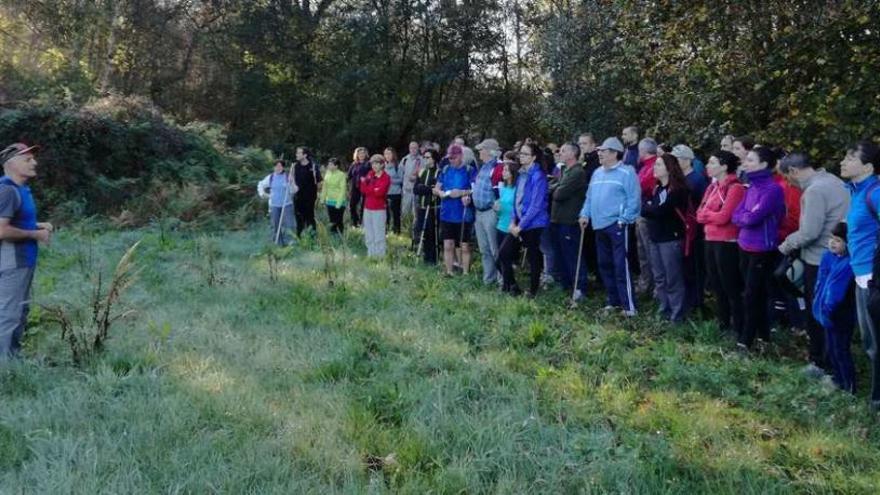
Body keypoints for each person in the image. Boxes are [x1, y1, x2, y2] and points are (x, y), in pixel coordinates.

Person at [778, 153, 850, 377]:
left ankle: (820, 363)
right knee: (832, 313)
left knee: (817, 312)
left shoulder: (815, 190)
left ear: (793, 172)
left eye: (787, 178)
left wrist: (786, 245)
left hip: (819, 259)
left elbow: (810, 232)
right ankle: (833, 361)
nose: (789, 184)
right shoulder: (834, 181)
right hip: (837, 258)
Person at [0, 143, 52, 359]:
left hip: (23, 261)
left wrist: (38, 225)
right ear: (11, 164)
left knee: (19, 312)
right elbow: (2, 231)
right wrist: (35, 235)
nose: (34, 163)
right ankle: (5, 368)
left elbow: (16, 220)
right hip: (13, 261)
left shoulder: (20, 190)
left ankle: (12, 359)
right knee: (9, 315)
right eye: (27, 159)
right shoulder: (8, 191)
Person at [578, 137, 641, 317]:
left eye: (603, 151)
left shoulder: (627, 173)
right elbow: (589, 197)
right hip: (599, 225)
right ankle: (613, 301)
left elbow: (634, 200)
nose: (600, 154)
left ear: (614, 153)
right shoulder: (597, 172)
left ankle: (629, 306)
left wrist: (624, 219)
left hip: (618, 226)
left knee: (621, 265)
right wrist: (584, 214)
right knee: (604, 264)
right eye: (600, 151)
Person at [840, 140, 880, 410]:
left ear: (867, 166)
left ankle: (877, 402)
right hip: (860, 273)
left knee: (876, 343)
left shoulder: (875, 193)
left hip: (873, 278)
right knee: (870, 342)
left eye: (850, 157)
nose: (843, 161)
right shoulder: (857, 191)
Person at [732, 147, 785, 351]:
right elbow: (737, 215)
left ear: (764, 164)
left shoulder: (772, 189)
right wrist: (746, 217)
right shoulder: (752, 187)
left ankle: (745, 341)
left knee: (752, 295)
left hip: (761, 248)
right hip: (744, 244)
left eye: (751, 160)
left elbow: (755, 216)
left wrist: (746, 217)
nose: (746, 163)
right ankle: (764, 337)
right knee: (754, 293)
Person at [697, 151, 745, 337]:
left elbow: (725, 216)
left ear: (724, 166)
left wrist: (710, 215)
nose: (708, 166)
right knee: (716, 284)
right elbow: (699, 213)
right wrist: (712, 215)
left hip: (727, 241)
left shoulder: (735, 188)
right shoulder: (712, 187)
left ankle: (738, 325)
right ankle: (723, 322)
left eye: (712, 162)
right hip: (709, 239)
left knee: (730, 285)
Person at [641, 154, 689, 322]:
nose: (655, 168)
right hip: (655, 236)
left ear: (669, 168)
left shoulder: (677, 189)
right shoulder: (657, 188)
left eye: (659, 165)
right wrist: (649, 207)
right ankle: (664, 309)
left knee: (673, 277)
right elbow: (648, 207)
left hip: (670, 238)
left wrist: (649, 207)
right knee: (659, 277)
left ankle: (677, 314)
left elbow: (660, 211)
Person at [813, 223, 856, 393]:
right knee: (831, 348)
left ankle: (849, 387)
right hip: (825, 311)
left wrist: (828, 309)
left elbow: (836, 292)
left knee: (841, 350)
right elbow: (820, 280)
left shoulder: (848, 263)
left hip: (840, 313)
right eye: (831, 238)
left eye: (837, 240)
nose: (832, 243)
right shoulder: (828, 257)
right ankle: (838, 380)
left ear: (848, 243)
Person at [506, 143, 549, 297]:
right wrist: (513, 221)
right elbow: (516, 200)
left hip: (534, 223)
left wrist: (521, 225)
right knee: (503, 254)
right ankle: (512, 286)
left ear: (534, 157)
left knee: (533, 256)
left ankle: (533, 290)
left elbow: (536, 205)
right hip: (519, 222)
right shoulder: (521, 173)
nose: (521, 156)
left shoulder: (538, 176)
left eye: (525, 154)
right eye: (521, 154)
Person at [671, 144, 708, 312]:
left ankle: (696, 302)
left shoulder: (698, 179)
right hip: (678, 228)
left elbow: (702, 203)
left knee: (694, 267)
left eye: (676, 159)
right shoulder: (676, 179)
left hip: (694, 230)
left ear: (687, 160)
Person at [549, 143, 588, 299]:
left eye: (564, 150)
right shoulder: (564, 171)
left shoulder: (577, 172)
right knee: (560, 254)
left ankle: (579, 287)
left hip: (569, 220)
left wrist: (556, 187)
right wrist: (556, 187)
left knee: (572, 255)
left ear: (573, 153)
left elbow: (559, 194)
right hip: (557, 219)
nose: (560, 152)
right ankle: (565, 285)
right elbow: (552, 187)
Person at [434, 144, 475, 276]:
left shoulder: (469, 170)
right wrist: (440, 193)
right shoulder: (445, 169)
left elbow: (475, 189)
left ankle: (465, 272)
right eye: (450, 158)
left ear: (461, 156)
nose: (451, 160)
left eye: (454, 158)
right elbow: (437, 188)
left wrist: (462, 193)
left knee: (464, 245)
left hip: (463, 213)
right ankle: (449, 271)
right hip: (447, 212)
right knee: (448, 244)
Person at [472, 138, 502, 286]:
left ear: (490, 152)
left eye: (481, 150)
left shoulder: (497, 168)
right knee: (484, 248)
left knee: (495, 248)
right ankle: (488, 279)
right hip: (479, 212)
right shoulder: (483, 167)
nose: (479, 152)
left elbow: (500, 190)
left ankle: (502, 279)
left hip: (490, 212)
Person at [635, 138, 659, 295]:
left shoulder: (653, 167)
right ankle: (645, 284)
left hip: (648, 214)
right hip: (641, 212)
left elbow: (639, 186)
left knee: (649, 252)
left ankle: (655, 286)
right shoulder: (645, 166)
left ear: (644, 151)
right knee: (642, 251)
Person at [496, 154, 521, 293]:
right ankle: (512, 285)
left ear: (513, 173)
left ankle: (506, 287)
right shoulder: (503, 188)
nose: (503, 172)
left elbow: (517, 209)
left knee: (503, 257)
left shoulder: (517, 190)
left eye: (506, 170)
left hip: (510, 228)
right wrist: (497, 208)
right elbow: (501, 207)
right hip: (500, 225)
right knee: (500, 260)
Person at [257, 159, 298, 245]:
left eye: (280, 166)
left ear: (283, 167)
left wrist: (292, 182)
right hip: (274, 205)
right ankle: (278, 244)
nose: (278, 168)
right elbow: (260, 184)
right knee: (275, 225)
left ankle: (290, 244)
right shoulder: (271, 177)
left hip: (286, 205)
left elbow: (294, 190)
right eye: (276, 166)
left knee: (289, 225)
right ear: (274, 167)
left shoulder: (287, 177)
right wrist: (263, 194)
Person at [359, 154, 391, 257]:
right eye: (372, 163)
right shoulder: (370, 174)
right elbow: (363, 189)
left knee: (379, 233)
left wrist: (369, 187)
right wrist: (372, 188)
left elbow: (380, 193)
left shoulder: (386, 177)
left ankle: (380, 256)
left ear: (382, 165)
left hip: (379, 209)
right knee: (369, 233)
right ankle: (371, 254)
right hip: (367, 208)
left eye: (377, 163)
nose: (374, 166)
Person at [414, 149, 440, 264]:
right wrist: (428, 189)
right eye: (424, 157)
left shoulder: (438, 172)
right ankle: (425, 257)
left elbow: (437, 190)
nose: (425, 159)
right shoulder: (422, 171)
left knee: (431, 233)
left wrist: (425, 188)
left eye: (428, 157)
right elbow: (416, 189)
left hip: (433, 208)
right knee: (422, 232)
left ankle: (433, 259)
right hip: (422, 206)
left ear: (434, 158)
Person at [293, 146, 322, 236]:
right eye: (296, 153)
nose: (296, 155)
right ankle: (299, 236)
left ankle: (312, 236)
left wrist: (318, 195)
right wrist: (293, 185)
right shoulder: (295, 166)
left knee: (309, 216)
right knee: (298, 216)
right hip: (298, 196)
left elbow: (319, 181)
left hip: (310, 196)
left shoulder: (313, 166)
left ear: (305, 155)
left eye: (299, 153)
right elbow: (292, 180)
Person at [321, 158, 347, 234]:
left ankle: (340, 236)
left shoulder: (341, 175)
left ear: (336, 166)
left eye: (331, 164)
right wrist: (322, 199)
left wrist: (338, 204)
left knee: (338, 220)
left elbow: (343, 190)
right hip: (329, 201)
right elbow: (324, 187)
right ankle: (333, 235)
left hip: (339, 202)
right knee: (332, 220)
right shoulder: (327, 173)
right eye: (328, 164)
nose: (328, 166)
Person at [383, 147, 404, 234]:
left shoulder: (398, 166)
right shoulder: (382, 166)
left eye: (389, 154)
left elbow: (401, 179)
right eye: (386, 154)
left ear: (393, 155)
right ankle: (386, 230)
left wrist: (389, 180)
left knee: (395, 214)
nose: (387, 156)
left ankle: (397, 231)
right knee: (385, 214)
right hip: (384, 193)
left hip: (395, 193)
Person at [347, 147, 370, 227]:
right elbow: (348, 176)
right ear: (357, 154)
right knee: (352, 205)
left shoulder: (368, 164)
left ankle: (361, 222)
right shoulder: (354, 164)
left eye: (363, 153)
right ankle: (354, 222)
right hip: (355, 187)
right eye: (360, 153)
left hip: (365, 187)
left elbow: (372, 176)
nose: (362, 155)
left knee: (363, 206)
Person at [401, 141, 422, 222]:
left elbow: (424, 175)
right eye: (411, 148)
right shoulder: (404, 159)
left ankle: (414, 231)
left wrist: (416, 177)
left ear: (418, 149)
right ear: (409, 149)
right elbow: (400, 173)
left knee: (416, 213)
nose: (413, 150)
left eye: (415, 148)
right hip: (407, 190)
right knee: (405, 212)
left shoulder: (422, 160)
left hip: (417, 191)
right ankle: (405, 230)